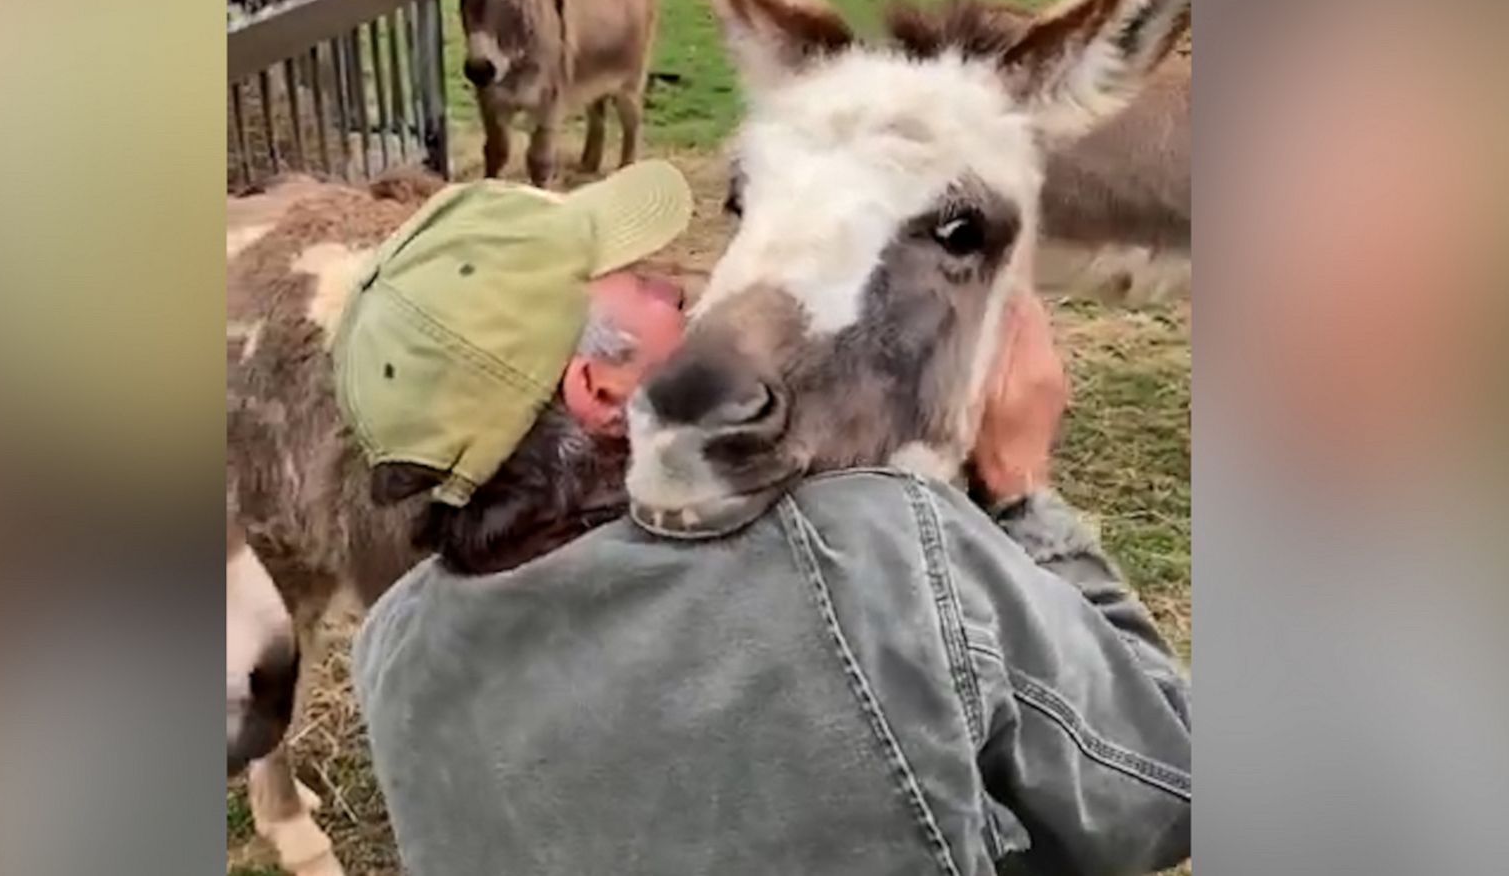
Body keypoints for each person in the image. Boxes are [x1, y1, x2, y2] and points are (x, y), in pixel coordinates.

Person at [334, 161, 1191, 875]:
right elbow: (1167, 782)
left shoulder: (394, 655)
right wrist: (1018, 483)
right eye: (644, 286)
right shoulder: (867, 548)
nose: (684, 286)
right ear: (599, 389)